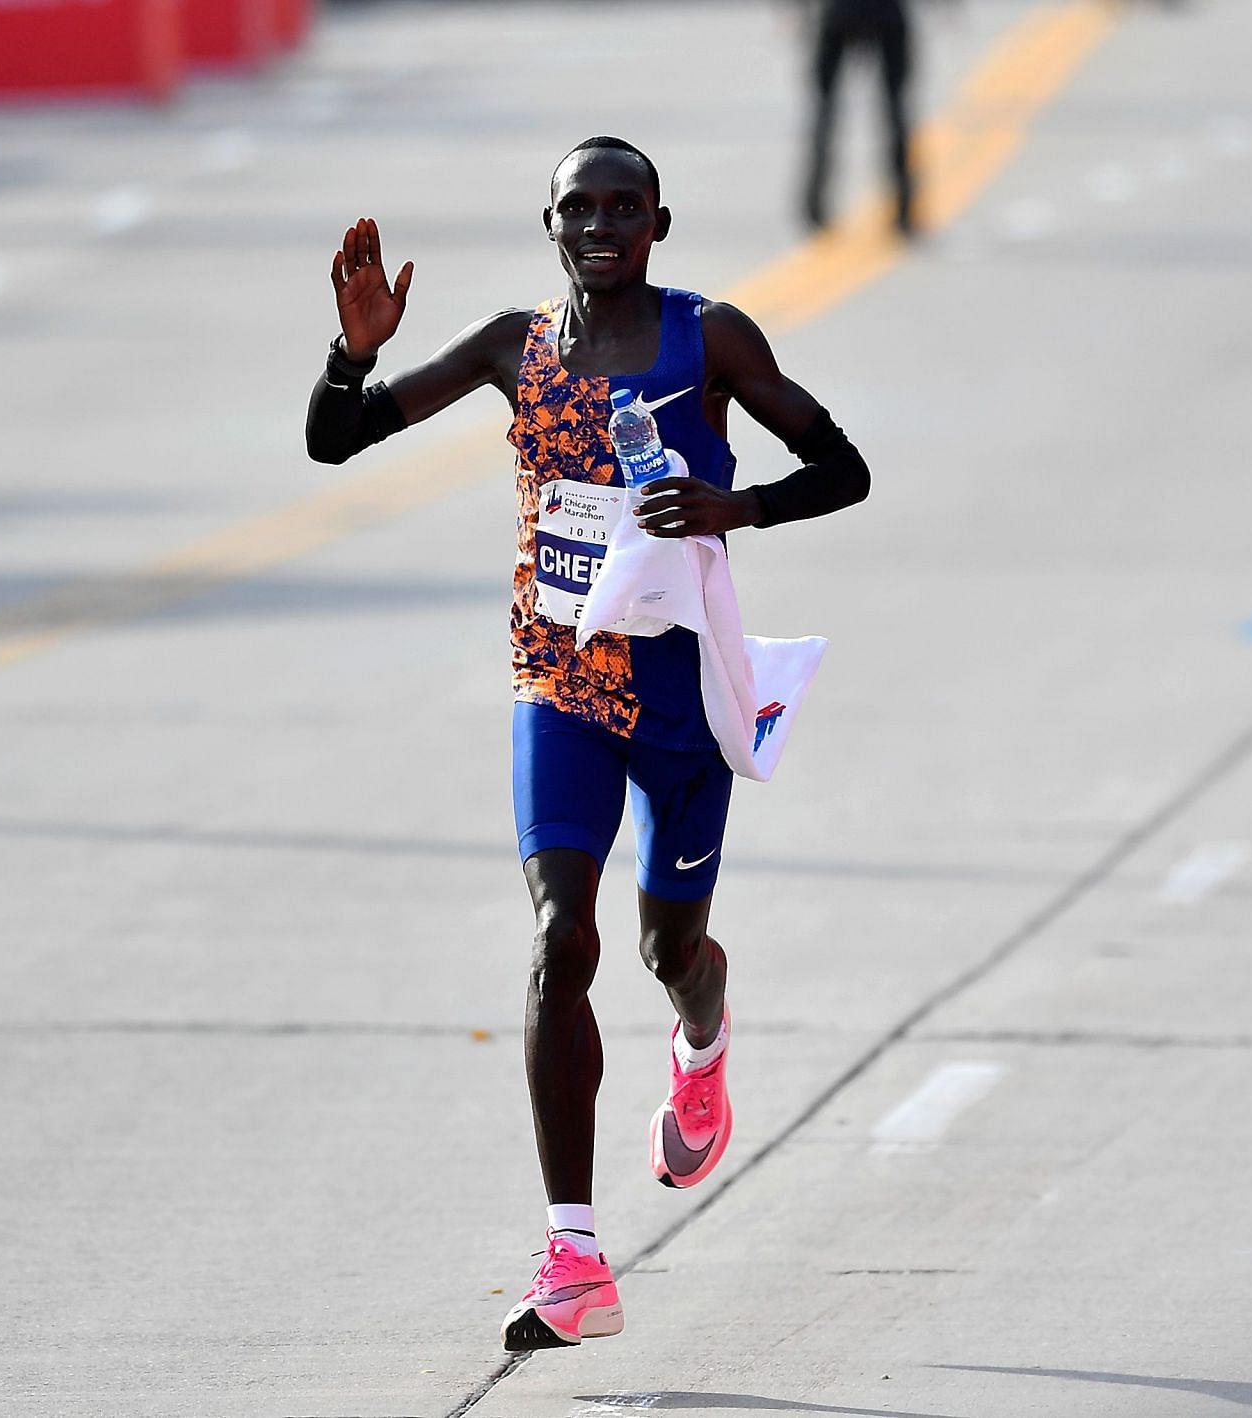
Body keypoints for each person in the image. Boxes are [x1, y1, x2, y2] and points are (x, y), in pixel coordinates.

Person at [304, 138, 871, 1352]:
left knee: (672, 947)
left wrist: (737, 506)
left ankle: (704, 1039)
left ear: (659, 223)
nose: (601, 223)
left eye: (624, 206)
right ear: (547, 223)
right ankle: (574, 1252)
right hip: (555, 679)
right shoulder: (515, 347)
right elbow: (334, 441)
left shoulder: (708, 337)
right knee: (563, 933)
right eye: (579, 207)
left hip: (682, 695)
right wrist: (353, 354)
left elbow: (845, 466)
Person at [799, 0, 920, 234]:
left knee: (826, 113)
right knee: (895, 112)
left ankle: (814, 205)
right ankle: (904, 208)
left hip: (841, 13)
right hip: (884, 13)